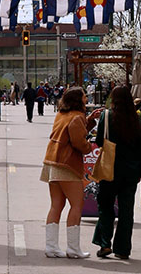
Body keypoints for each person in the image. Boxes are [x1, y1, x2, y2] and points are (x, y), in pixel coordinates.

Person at [41, 86, 100, 259]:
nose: (86, 99)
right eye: (84, 96)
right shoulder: (77, 117)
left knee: (56, 205)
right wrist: (90, 146)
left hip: (52, 162)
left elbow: (72, 130)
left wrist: (89, 120)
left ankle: (51, 246)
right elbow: (79, 142)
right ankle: (73, 249)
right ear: (78, 100)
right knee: (77, 204)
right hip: (67, 165)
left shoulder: (62, 114)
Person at [92, 86, 141, 260]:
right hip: (130, 171)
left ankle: (104, 243)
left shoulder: (107, 116)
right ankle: (123, 248)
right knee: (126, 210)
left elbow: (100, 140)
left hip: (110, 168)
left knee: (106, 206)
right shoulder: (136, 119)